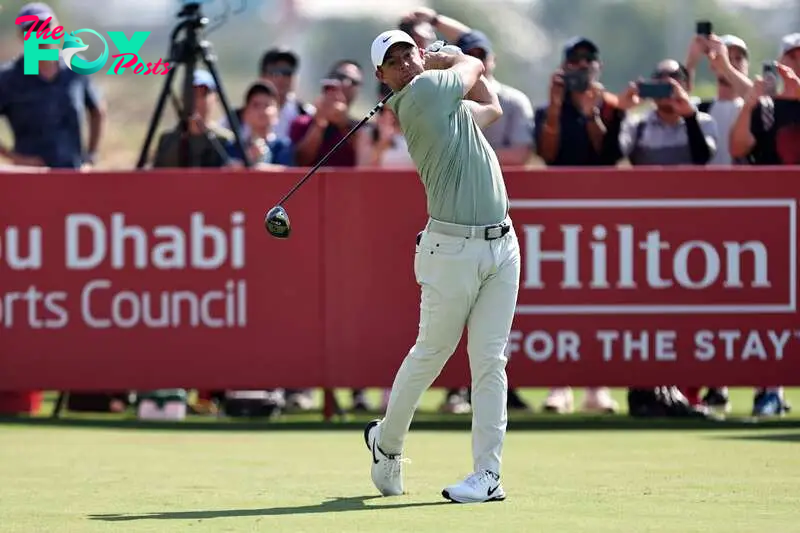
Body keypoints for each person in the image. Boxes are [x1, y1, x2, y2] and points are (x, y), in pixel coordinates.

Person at [364, 30, 520, 504]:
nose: (405, 64)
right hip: (449, 251)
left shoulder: (443, 103)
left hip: (502, 245)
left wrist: (448, 63)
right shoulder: (419, 97)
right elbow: (473, 66)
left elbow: (489, 105)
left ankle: (487, 475)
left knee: (490, 361)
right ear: (383, 77)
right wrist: (448, 56)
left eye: (408, 53)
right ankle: (386, 443)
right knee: (431, 353)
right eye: (394, 61)